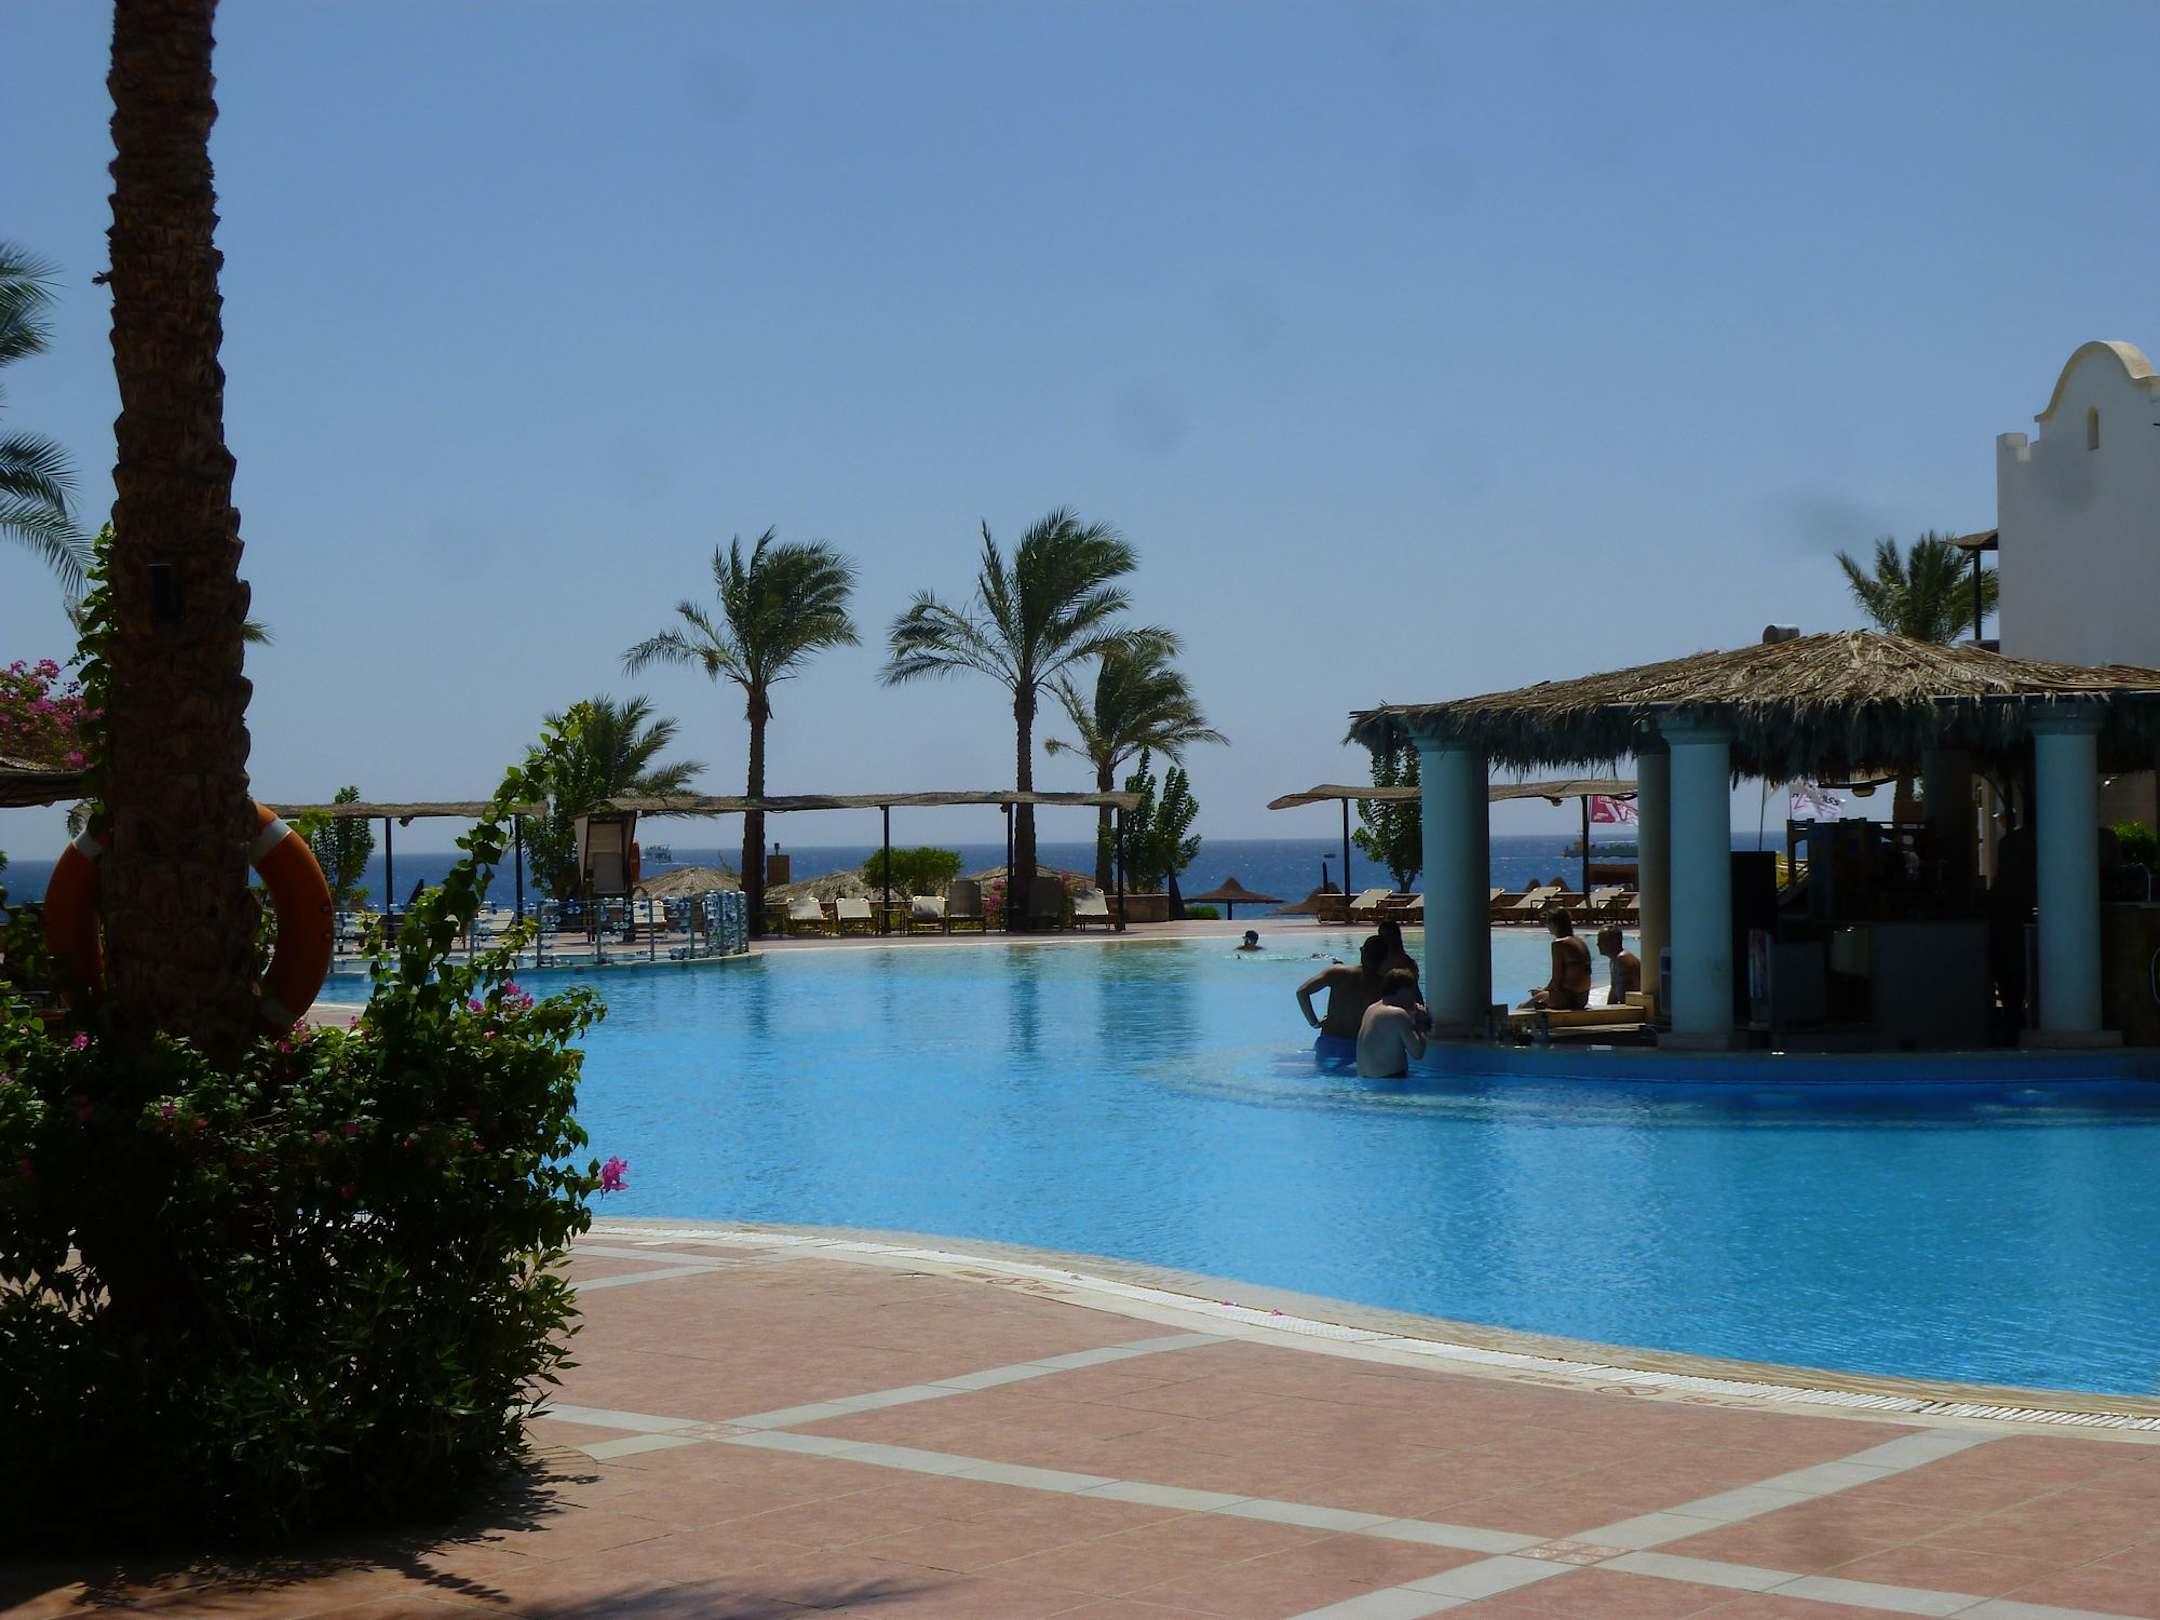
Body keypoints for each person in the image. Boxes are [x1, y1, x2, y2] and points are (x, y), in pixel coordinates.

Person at [1298, 936, 1389, 1043]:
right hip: (1360, 1043)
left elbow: (1302, 992)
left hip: (1329, 1040)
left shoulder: (1337, 972)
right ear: (1386, 958)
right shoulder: (1384, 983)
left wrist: (1314, 1023)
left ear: (1362, 950)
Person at [1357, 967, 1428, 1078]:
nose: (1414, 999)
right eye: (1412, 992)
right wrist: (1422, 1023)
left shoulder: (1371, 1009)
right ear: (1403, 991)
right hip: (1392, 1082)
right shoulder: (1398, 1015)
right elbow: (1417, 1053)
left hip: (1366, 1081)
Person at [1525, 906, 1592, 1010]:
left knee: (1523, 1007)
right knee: (1540, 996)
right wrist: (1545, 990)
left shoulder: (1559, 944)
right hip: (1582, 998)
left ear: (1555, 924)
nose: (1546, 925)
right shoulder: (1580, 941)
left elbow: (1556, 979)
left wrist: (1544, 991)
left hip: (1568, 998)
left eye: (1547, 922)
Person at [1596, 925, 1641, 1007]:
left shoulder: (1622, 960)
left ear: (1613, 941)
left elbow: (1625, 997)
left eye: (1601, 940)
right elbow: (1614, 991)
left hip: (1633, 1009)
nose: (1597, 944)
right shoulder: (1615, 960)